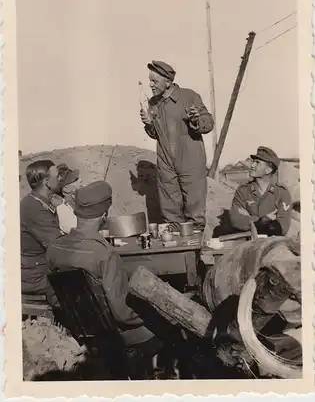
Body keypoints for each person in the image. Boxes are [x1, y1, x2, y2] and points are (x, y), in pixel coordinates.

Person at [46, 180, 161, 352]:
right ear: (104, 215)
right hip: (115, 335)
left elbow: (53, 298)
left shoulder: (54, 247)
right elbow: (121, 313)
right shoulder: (105, 254)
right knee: (169, 330)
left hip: (79, 330)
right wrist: (152, 314)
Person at [140, 60, 214, 232]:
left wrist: (196, 119)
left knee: (195, 213)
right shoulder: (153, 103)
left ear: (168, 81)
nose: (150, 85)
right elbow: (155, 135)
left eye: (154, 81)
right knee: (170, 212)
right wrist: (149, 124)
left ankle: (195, 253)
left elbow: (208, 123)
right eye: (150, 81)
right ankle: (177, 252)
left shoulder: (189, 97)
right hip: (166, 164)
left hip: (190, 162)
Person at [20, 160, 62, 302]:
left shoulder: (37, 202)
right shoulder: (35, 209)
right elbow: (57, 245)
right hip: (34, 276)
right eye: (57, 176)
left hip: (37, 270)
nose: (60, 178)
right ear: (47, 182)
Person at [229, 146, 292, 236]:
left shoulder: (281, 193)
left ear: (268, 170)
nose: (252, 165)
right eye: (253, 162)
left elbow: (282, 228)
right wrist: (262, 220)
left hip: (271, 244)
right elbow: (236, 221)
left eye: (257, 163)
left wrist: (250, 219)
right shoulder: (243, 191)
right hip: (247, 242)